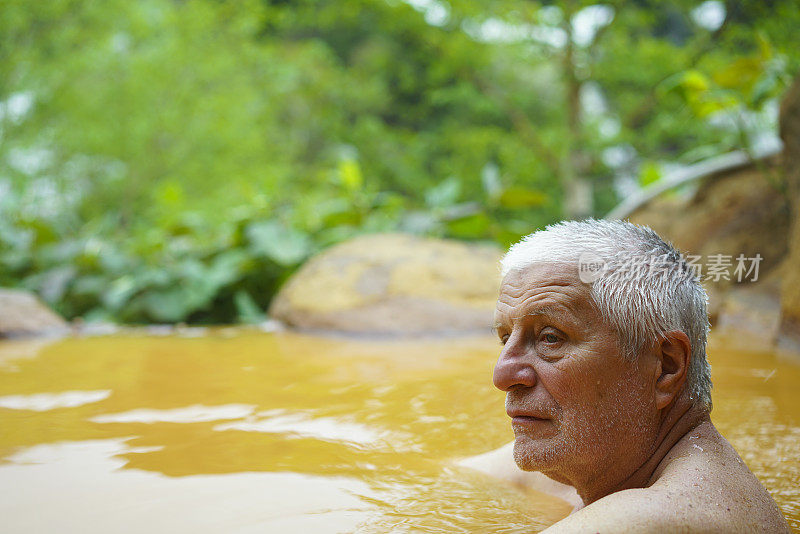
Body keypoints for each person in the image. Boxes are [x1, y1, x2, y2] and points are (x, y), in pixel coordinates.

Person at [460, 219, 789, 533]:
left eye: (550, 337)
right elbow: (447, 473)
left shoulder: (650, 519)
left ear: (666, 366)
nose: (502, 375)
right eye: (505, 338)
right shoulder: (602, 464)